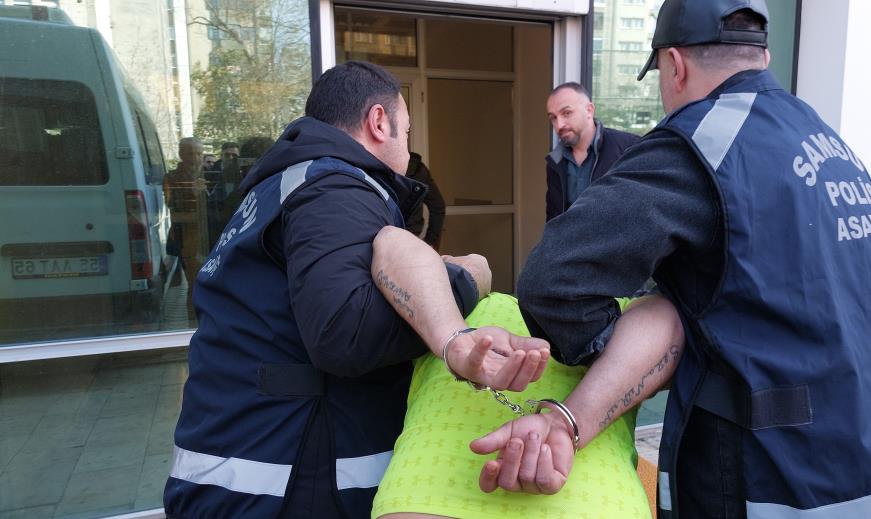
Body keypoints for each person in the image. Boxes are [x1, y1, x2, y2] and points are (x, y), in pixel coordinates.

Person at [484, 2, 871, 518]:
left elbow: (551, 281)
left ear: (675, 65)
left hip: (790, 481)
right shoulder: (825, 138)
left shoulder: (699, 143)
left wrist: (634, 343)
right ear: (760, 55)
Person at [164, 61, 549, 519]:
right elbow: (345, 332)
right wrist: (465, 281)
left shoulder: (283, 183)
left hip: (240, 466)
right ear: (379, 122)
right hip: (286, 476)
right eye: (406, 130)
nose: (407, 147)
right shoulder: (337, 184)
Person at [367, 226, 684, 519]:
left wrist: (565, 422)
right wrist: (456, 332)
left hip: (433, 496)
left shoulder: (622, 316)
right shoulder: (441, 318)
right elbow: (392, 241)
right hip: (431, 498)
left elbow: (667, 315)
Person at [544, 82, 639, 221]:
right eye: (553, 117)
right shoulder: (555, 161)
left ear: (589, 110)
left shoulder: (629, 148)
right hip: (573, 242)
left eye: (567, 113)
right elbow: (553, 218)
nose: (559, 125)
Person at [164, 136, 209, 318]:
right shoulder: (172, 177)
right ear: (181, 154)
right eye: (191, 153)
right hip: (187, 237)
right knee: (194, 283)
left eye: (199, 153)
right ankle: (194, 322)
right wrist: (192, 194)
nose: (196, 158)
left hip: (210, 234)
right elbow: (171, 206)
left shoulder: (210, 173)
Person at [404, 152, 446, 249]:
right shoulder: (417, 168)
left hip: (381, 238)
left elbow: (438, 206)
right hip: (411, 238)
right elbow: (438, 205)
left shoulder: (375, 167)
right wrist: (430, 241)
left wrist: (430, 240)